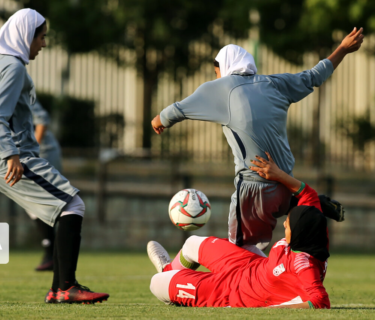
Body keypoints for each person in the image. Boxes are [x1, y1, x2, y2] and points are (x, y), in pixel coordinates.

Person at [151, 28, 361, 254]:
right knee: (250, 249)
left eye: (217, 72)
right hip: (284, 184)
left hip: (254, 189)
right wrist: (343, 48)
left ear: (225, 67)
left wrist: (159, 120)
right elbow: (314, 76)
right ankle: (302, 204)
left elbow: (177, 110)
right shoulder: (275, 83)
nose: (217, 78)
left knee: (238, 254)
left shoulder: (220, 88)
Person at [0, 8, 109, 304]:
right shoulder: (14, 68)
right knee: (73, 204)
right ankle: (66, 287)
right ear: (25, 36)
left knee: (66, 208)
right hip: (9, 157)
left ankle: (60, 288)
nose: (44, 44)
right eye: (42, 37)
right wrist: (11, 155)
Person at [147, 152, 330, 308]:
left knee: (156, 284)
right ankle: (168, 269)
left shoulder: (303, 264)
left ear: (299, 232)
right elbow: (308, 194)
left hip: (235, 292)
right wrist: (277, 174)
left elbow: (320, 301)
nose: (284, 225)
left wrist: (277, 308)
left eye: (287, 224)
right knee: (191, 244)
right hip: (249, 264)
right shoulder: (313, 225)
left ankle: (173, 279)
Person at [27, 99, 62, 271]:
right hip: (29, 156)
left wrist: (32, 152)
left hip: (43, 154)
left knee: (41, 201)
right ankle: (52, 252)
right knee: (32, 203)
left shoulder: (19, 90)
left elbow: (41, 121)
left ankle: (52, 253)